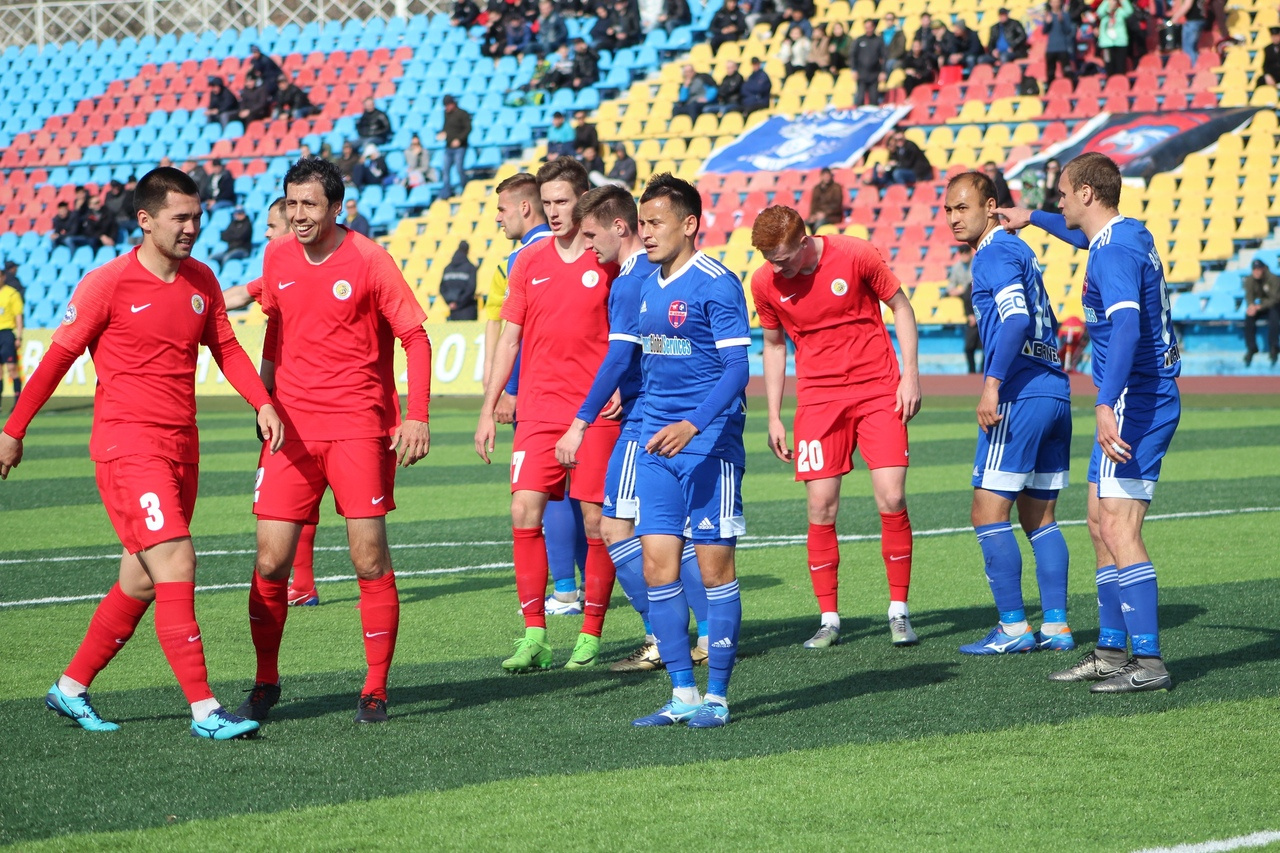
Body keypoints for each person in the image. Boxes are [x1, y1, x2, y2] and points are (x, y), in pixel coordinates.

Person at [0, 167, 283, 739]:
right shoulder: (107, 283)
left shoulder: (202, 279)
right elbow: (57, 359)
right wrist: (13, 429)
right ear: (146, 220)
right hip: (128, 446)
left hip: (183, 448)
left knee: (141, 580)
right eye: (181, 218)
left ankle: (69, 688)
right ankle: (205, 710)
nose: (192, 228)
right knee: (176, 561)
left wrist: (262, 401)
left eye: (197, 217)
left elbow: (226, 348)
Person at [238, 157, 433, 725]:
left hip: (357, 428)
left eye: (310, 204)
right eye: (291, 204)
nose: (299, 214)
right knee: (270, 561)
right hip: (291, 430)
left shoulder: (370, 260)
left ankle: (375, 688)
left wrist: (417, 416)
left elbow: (416, 339)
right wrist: (264, 394)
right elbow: (277, 325)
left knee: (368, 560)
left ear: (337, 208)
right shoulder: (277, 255)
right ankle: (265, 682)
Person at [996, 152, 1180, 693]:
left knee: (1120, 528)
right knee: (1099, 523)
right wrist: (1032, 218)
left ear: (1086, 194)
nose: (1058, 201)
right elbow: (1080, 238)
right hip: (1134, 396)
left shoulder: (1114, 252)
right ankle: (1110, 651)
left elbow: (1126, 328)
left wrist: (1105, 403)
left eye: (1061, 194)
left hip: (1136, 400)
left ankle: (1149, 663)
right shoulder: (1121, 234)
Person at [554, 186, 711, 672]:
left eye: (590, 235)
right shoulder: (659, 272)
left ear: (619, 227)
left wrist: (580, 422)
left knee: (615, 526)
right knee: (673, 529)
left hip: (646, 419)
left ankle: (662, 637)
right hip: (665, 410)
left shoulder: (629, 281)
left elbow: (620, 354)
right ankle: (707, 633)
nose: (586, 246)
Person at [750, 205, 921, 650]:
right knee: (821, 507)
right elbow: (773, 346)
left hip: (878, 390)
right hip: (818, 401)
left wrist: (910, 375)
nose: (777, 268)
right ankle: (828, 619)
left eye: (783, 258)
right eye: (769, 260)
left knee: (892, 497)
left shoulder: (856, 254)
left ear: (804, 241)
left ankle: (899, 611)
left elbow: (901, 307)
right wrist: (773, 415)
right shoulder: (764, 282)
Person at [474, 158, 621, 672]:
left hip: (594, 411)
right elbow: (509, 339)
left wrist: (624, 385)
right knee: (523, 512)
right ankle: (535, 634)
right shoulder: (527, 263)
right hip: (538, 410)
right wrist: (489, 407)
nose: (553, 211)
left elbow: (628, 335)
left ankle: (590, 632)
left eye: (563, 202)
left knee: (596, 520)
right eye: (548, 202)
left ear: (583, 203)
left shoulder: (608, 262)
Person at [625, 174, 748, 728]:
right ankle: (683, 694)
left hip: (708, 447)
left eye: (655, 222)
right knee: (658, 569)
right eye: (642, 223)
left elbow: (737, 369)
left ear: (690, 224)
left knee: (715, 571)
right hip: (655, 444)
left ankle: (717, 696)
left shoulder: (717, 283)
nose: (646, 232)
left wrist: (694, 424)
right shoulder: (646, 283)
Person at [943, 171, 1074, 656]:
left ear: (991, 207)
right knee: (1040, 517)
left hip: (1020, 394)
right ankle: (1056, 626)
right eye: (948, 210)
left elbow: (1016, 319)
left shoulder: (993, 253)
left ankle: (1014, 627)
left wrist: (992, 384)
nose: (954, 218)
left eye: (963, 208)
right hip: (1054, 390)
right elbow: (1043, 317)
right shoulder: (1020, 251)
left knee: (987, 512)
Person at [484, 173, 585, 613]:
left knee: (549, 491)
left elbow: (523, 334)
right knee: (580, 495)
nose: (498, 219)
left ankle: (565, 589)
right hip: (578, 393)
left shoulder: (524, 258)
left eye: (502, 209)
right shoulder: (574, 248)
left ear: (526, 208)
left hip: (543, 394)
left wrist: (509, 389)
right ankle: (587, 585)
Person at [219, 198, 326, 608]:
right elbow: (238, 297)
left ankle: (309, 584)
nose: (265, 233)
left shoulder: (309, 271)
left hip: (311, 402)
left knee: (298, 497)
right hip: (292, 398)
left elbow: (237, 299)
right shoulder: (279, 271)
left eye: (270, 226)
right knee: (303, 494)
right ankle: (304, 583)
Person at [946, 244, 981, 373]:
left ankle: (983, 371)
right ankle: (972, 372)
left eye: (966, 253)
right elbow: (950, 288)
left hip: (980, 302)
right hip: (968, 306)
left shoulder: (977, 263)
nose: (964, 256)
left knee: (986, 347)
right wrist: (961, 290)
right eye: (962, 253)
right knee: (969, 347)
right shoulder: (957, 267)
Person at [1243, 258, 1280, 366]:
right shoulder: (1250, 280)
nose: (1257, 272)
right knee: (1249, 316)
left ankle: (1273, 346)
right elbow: (1249, 295)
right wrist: (1251, 305)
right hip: (1261, 306)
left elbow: (1275, 299)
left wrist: (1260, 306)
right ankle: (1251, 347)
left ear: (1263, 269)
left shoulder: (1273, 279)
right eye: (1254, 269)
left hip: (1274, 305)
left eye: (1258, 269)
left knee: (1274, 317)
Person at [866, 130, 934, 187]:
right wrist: (885, 167)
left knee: (897, 173)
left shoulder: (910, 146)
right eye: (896, 140)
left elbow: (907, 164)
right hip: (906, 170)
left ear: (904, 138)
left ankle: (901, 192)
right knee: (881, 168)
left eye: (901, 139)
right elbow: (893, 160)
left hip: (919, 173)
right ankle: (878, 183)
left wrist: (893, 165)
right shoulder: (897, 148)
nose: (899, 141)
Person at [437, 95, 472, 199]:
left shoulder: (462, 113)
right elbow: (446, 127)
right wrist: (442, 133)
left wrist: (459, 139)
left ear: (452, 104)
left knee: (459, 168)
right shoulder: (446, 114)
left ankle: (465, 188)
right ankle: (447, 192)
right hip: (448, 147)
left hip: (460, 147)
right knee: (445, 170)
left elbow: (468, 128)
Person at [852, 18, 887, 105]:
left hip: (874, 74)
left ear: (873, 27)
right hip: (861, 74)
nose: (868, 29)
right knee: (860, 99)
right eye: (866, 27)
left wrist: (883, 71)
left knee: (874, 100)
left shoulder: (878, 40)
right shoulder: (859, 40)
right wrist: (854, 70)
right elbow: (853, 56)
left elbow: (884, 56)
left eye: (869, 27)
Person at [0, 271, 22, 411]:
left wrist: (19, 336)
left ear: (3, 277)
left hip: (7, 333)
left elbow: (18, 316)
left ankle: (18, 403)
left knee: (11, 368)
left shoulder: (12, 293)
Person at [441, 240, 479, 320]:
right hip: (467, 309)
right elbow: (471, 288)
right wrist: (459, 303)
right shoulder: (470, 268)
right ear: (467, 251)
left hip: (453, 311)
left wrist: (450, 302)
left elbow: (442, 288)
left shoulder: (447, 268)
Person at [1043, 0, 1078, 86]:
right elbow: (1044, 31)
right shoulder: (1048, 16)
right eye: (1053, 2)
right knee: (1050, 72)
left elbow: (1068, 31)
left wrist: (1062, 21)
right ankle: (1050, 88)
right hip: (1051, 48)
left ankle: (1070, 87)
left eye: (1057, 1)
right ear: (1050, 3)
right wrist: (1047, 23)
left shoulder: (1065, 15)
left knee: (1067, 70)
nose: (1055, 4)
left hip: (1062, 47)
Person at [1096, 0, 1133, 76]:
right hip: (1106, 44)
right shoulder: (1104, 14)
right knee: (1109, 66)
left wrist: (1122, 1)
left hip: (1120, 43)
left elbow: (1129, 11)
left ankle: (1120, 81)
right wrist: (1107, 3)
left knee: (1120, 67)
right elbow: (1099, 12)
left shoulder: (1120, 12)